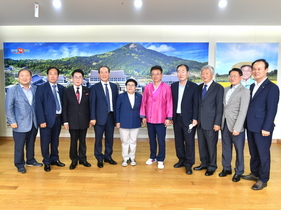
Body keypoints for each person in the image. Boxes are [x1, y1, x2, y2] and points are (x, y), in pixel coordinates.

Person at [242, 59, 279, 190]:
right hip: (251, 125)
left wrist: (267, 127)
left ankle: (263, 179)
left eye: (259, 69)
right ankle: (255, 173)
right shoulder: (253, 86)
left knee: (263, 154)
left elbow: (272, 109)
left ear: (266, 70)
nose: (256, 71)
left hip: (262, 127)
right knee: (253, 152)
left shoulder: (272, 88)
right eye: (254, 69)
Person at [5, 68, 43, 173]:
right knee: (19, 145)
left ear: (31, 77)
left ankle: (30, 160)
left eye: (27, 76)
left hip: (33, 122)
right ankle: (19, 164)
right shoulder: (12, 90)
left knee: (31, 143)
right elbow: (9, 107)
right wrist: (11, 121)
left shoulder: (36, 89)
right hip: (19, 123)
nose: (25, 78)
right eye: (22, 76)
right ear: (18, 78)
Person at [219, 68, 250, 182]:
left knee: (239, 150)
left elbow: (243, 111)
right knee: (226, 148)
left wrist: (237, 127)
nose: (232, 78)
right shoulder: (225, 89)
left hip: (237, 125)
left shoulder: (245, 91)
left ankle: (239, 171)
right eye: (231, 76)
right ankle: (226, 168)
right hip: (225, 123)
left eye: (235, 76)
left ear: (241, 77)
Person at [140, 65, 173, 169]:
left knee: (161, 139)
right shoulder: (147, 87)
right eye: (153, 74)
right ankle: (152, 156)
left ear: (162, 75)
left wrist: (169, 118)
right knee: (151, 139)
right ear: (151, 75)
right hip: (150, 118)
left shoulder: (167, 87)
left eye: (157, 74)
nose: (155, 76)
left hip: (161, 118)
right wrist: (143, 116)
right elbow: (143, 102)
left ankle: (161, 158)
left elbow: (170, 103)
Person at [194, 65, 224, 176]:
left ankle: (212, 166)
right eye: (202, 74)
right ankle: (204, 163)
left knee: (211, 145)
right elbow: (198, 105)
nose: (204, 76)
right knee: (201, 144)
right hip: (200, 122)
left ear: (212, 75)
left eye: (207, 73)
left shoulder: (218, 88)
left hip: (212, 123)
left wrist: (217, 123)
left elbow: (219, 107)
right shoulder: (199, 87)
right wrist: (195, 119)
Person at [35, 67, 65, 172]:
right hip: (46, 120)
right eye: (50, 74)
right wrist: (41, 121)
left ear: (58, 76)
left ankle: (54, 159)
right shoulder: (41, 88)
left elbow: (64, 105)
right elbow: (38, 106)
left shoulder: (61, 88)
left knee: (55, 141)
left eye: (55, 74)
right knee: (45, 142)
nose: (53, 76)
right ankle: (46, 162)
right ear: (47, 76)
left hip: (58, 119)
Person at [171, 64, 198, 175]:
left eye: (183, 71)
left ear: (187, 73)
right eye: (178, 71)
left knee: (189, 142)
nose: (180, 74)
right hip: (176, 118)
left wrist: (195, 118)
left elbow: (196, 104)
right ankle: (181, 160)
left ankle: (189, 164)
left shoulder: (194, 86)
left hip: (189, 119)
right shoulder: (173, 86)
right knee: (178, 141)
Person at [90, 66, 119, 168]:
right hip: (98, 118)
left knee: (109, 139)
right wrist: (92, 117)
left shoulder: (114, 87)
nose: (104, 74)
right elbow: (92, 104)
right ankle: (99, 157)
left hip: (111, 117)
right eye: (101, 72)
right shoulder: (94, 88)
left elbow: (116, 103)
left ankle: (108, 156)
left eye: (106, 72)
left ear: (109, 74)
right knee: (98, 139)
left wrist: (117, 118)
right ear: (98, 74)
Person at [63, 69, 91, 170]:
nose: (78, 79)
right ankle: (74, 160)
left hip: (84, 120)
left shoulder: (88, 90)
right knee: (73, 141)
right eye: (76, 77)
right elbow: (65, 107)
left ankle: (83, 159)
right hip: (72, 121)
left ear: (83, 79)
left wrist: (91, 119)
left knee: (83, 141)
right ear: (72, 78)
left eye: (80, 77)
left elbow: (90, 106)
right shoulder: (67, 91)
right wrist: (65, 121)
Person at [116, 79, 142, 167]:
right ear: (126, 86)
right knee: (125, 141)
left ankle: (132, 157)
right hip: (123, 122)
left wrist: (142, 119)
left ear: (135, 87)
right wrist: (117, 121)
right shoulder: (121, 96)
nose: (130, 86)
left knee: (133, 141)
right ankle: (125, 158)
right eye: (128, 85)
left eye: (132, 85)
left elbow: (142, 109)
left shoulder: (139, 96)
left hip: (135, 121)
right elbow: (117, 110)